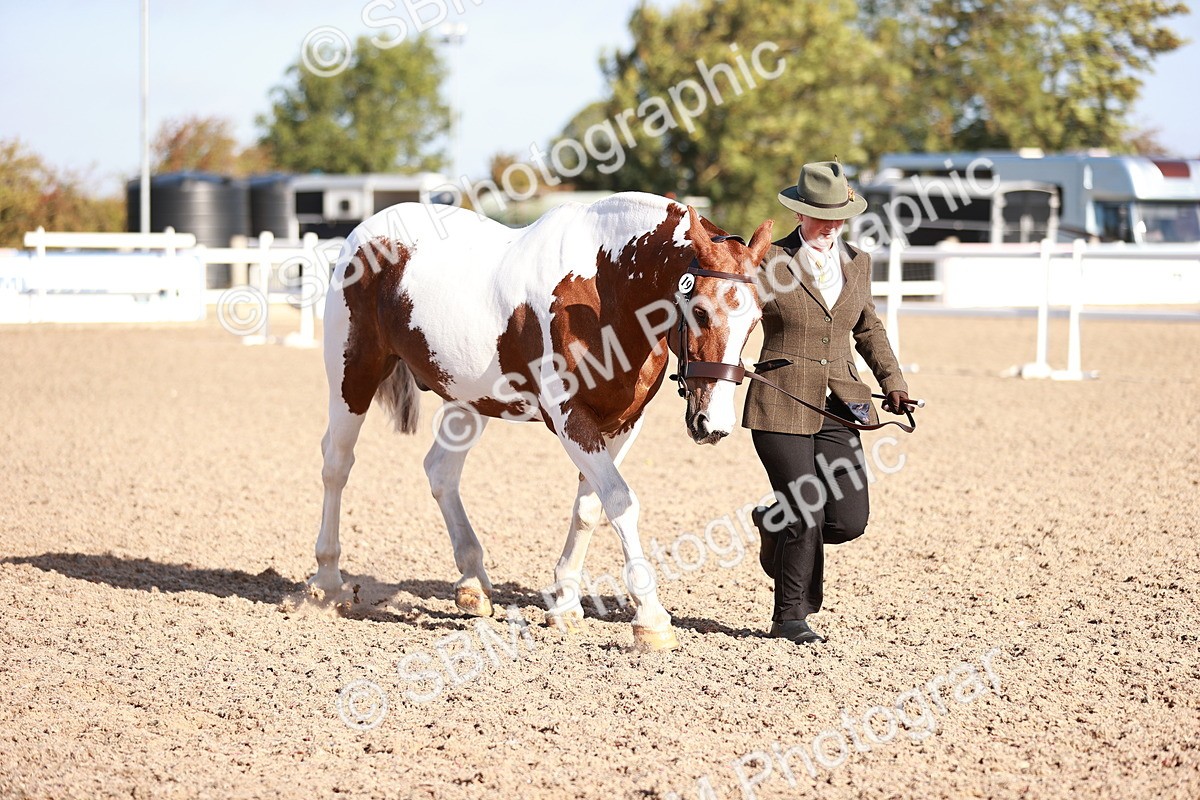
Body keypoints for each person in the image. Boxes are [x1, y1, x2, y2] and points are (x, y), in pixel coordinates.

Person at [743, 160, 911, 645]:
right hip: (780, 399)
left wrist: (893, 381)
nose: (829, 226)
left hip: (841, 402)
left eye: (837, 216)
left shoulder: (858, 262)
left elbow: (868, 328)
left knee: (847, 519)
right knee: (806, 511)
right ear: (800, 215)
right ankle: (790, 617)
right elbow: (731, 318)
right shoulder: (769, 263)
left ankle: (770, 522)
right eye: (820, 216)